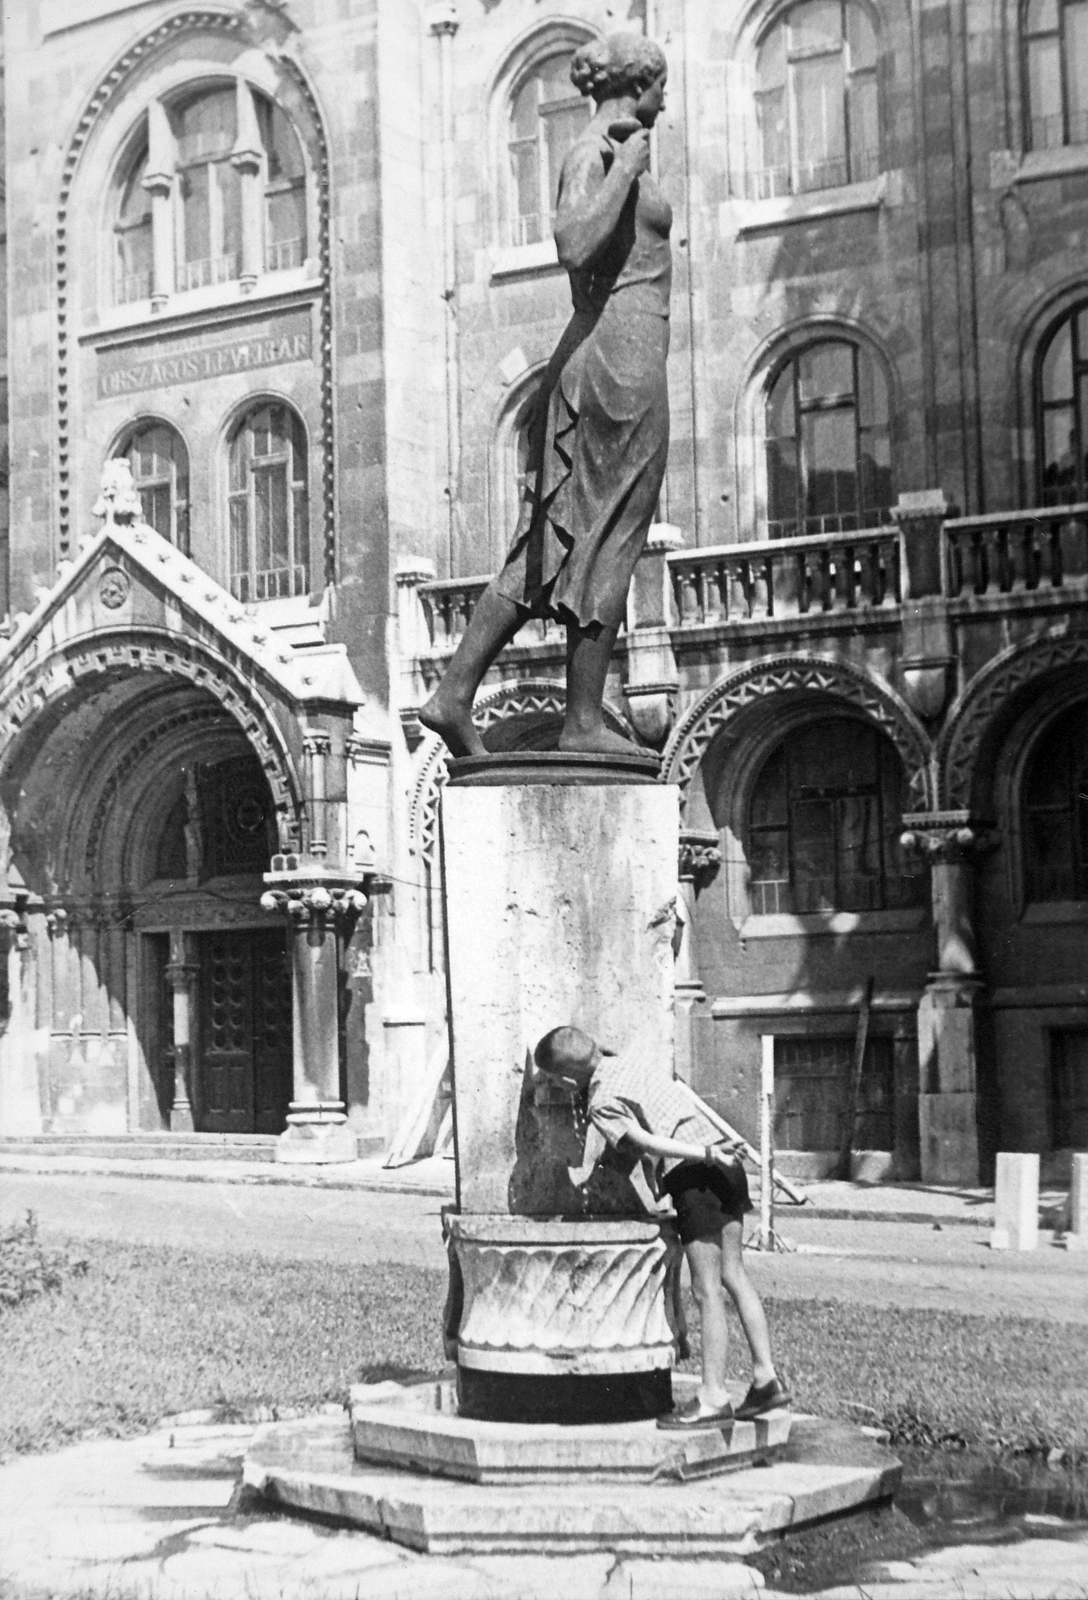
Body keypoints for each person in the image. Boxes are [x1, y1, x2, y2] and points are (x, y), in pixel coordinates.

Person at [420, 32, 672, 759]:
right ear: (639, 83)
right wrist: (625, 168)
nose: (666, 99)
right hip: (616, 356)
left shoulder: (607, 146)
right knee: (608, 534)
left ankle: (455, 691)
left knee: (560, 538)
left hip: (623, 352)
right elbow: (573, 241)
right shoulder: (594, 151)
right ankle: (582, 719)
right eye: (661, 84)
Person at [533, 1025, 791, 1431]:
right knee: (734, 1276)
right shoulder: (630, 1066)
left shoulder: (601, 1101)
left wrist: (705, 1154)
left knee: (706, 1291)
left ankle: (712, 1398)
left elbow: (644, 1141)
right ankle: (766, 1378)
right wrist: (715, 1150)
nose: (553, 1087)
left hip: (697, 1173)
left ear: (566, 1080)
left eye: (551, 1081)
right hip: (728, 1168)